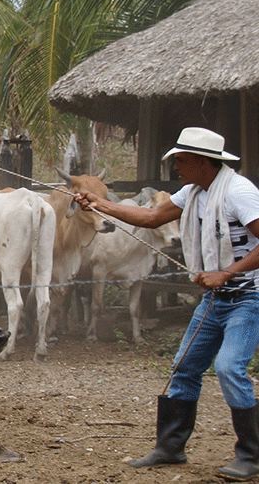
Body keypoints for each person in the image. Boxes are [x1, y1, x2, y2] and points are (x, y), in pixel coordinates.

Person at [74, 127, 259, 481]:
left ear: (204, 163)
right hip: (215, 298)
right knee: (185, 365)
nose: (175, 168)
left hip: (248, 295)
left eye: (181, 161)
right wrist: (99, 204)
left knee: (229, 368)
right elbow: (151, 218)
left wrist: (228, 272)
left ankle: (251, 454)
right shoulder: (193, 192)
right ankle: (170, 447)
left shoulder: (239, 193)